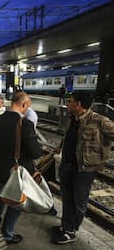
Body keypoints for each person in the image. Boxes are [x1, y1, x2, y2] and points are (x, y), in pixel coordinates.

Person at [52, 92, 114, 244]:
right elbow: (70, 138)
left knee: (79, 202)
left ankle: (71, 231)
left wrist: (103, 150)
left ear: (78, 104)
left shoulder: (99, 121)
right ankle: (66, 226)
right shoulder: (73, 119)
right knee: (66, 199)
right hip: (67, 165)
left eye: (70, 101)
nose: (67, 104)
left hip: (84, 170)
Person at [0, 92, 41, 244]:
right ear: (24, 104)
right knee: (16, 201)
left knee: (2, 192)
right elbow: (35, 153)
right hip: (18, 172)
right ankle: (7, 234)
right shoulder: (26, 124)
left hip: (0, 168)